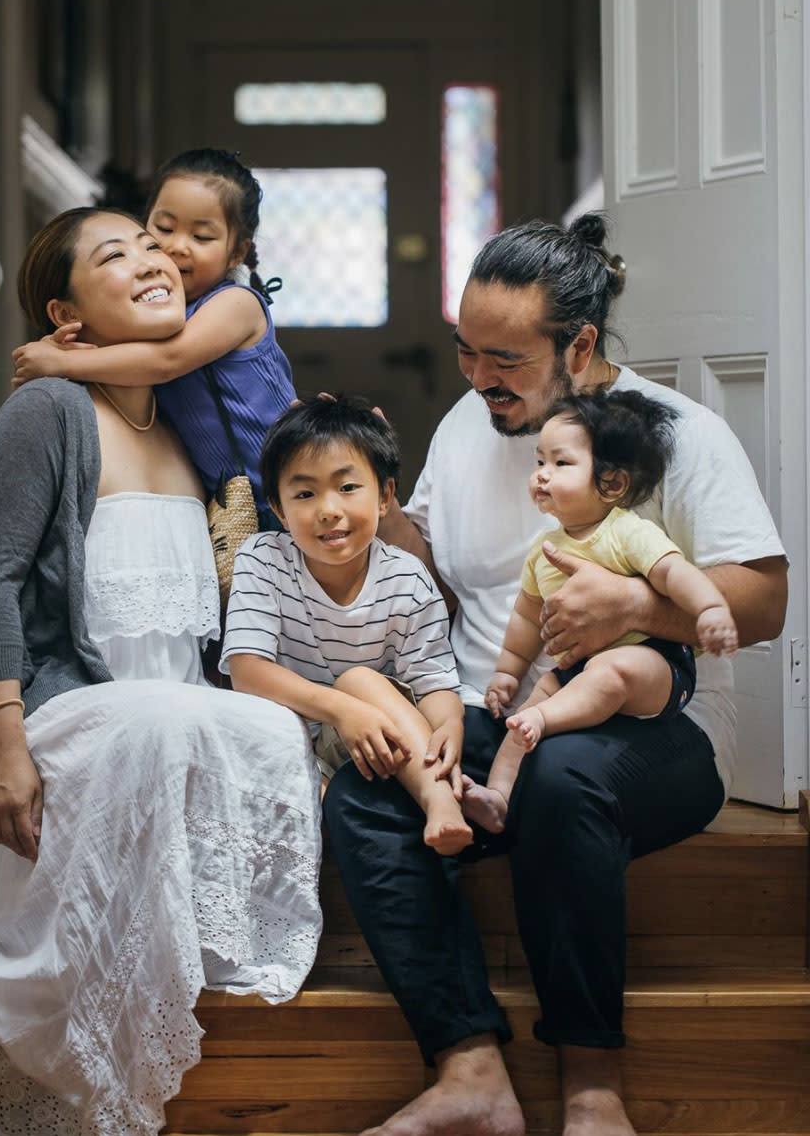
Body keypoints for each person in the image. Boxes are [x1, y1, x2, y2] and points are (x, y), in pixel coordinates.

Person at [322, 214, 787, 1136]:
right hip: (498, 703)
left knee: (565, 782)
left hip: (657, 726)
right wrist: (376, 497)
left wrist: (637, 607)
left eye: (505, 359)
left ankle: (591, 1086)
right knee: (366, 789)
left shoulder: (677, 434)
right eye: (465, 352)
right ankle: (469, 1073)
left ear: (578, 346)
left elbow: (766, 602)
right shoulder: (464, 424)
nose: (479, 379)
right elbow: (438, 584)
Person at [0, 207, 322, 1136]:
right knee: (156, 718)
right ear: (65, 318)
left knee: (268, 726)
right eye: (117, 254)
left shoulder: (189, 419)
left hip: (164, 712)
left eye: (152, 245)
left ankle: (204, 951)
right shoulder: (48, 408)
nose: (152, 260)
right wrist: (5, 744)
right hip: (41, 715)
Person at [464, 389, 738, 834]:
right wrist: (507, 673)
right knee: (520, 724)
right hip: (576, 671)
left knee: (611, 668)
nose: (542, 476)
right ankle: (497, 798)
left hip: (656, 666)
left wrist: (708, 607)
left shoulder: (627, 532)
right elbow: (527, 617)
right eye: (539, 463)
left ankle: (545, 720)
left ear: (611, 483)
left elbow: (672, 573)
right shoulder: (543, 550)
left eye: (561, 464)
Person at [220, 396, 472, 855]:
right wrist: (341, 710)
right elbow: (247, 671)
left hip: (380, 742)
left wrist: (449, 727)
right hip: (289, 741)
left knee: (361, 680)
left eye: (347, 487)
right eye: (304, 494)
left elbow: (433, 683)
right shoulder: (263, 559)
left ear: (385, 497)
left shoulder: (407, 577)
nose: (328, 509)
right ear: (278, 510)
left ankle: (443, 799)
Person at [11, 147, 293, 529]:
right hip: (239, 511)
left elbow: (165, 362)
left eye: (202, 235)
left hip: (294, 488)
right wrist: (59, 342)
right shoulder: (157, 320)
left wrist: (59, 361)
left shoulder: (237, 304)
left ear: (236, 253)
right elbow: (124, 355)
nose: (178, 245)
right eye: (163, 229)